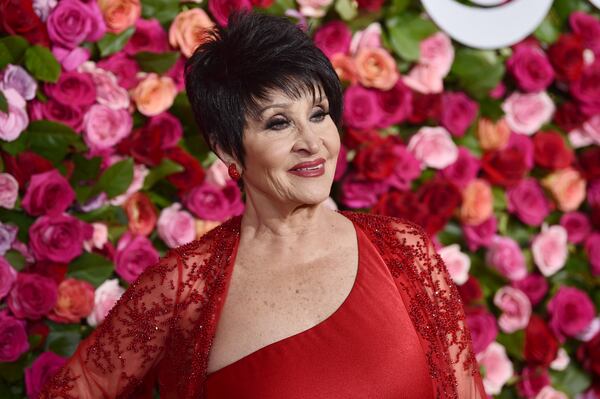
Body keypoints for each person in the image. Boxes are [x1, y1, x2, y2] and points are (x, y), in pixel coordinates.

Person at [40, 11, 486, 399]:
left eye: (318, 113)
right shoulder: (184, 289)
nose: (311, 143)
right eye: (278, 123)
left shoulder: (403, 251)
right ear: (228, 150)